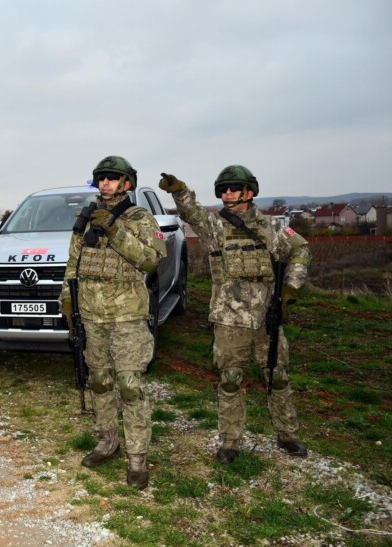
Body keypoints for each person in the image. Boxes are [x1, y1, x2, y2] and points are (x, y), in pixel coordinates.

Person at [159, 166, 311, 463]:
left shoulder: (273, 228)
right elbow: (192, 213)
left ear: (250, 191)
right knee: (230, 380)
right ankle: (230, 440)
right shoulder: (216, 228)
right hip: (229, 321)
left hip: (266, 318)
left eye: (234, 188)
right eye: (223, 189)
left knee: (277, 377)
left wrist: (291, 288)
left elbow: (301, 250)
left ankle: (287, 434)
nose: (228, 193)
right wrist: (179, 190)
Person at [59, 156, 167, 489]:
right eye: (101, 178)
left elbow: (151, 260)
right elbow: (73, 264)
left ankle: (137, 458)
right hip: (92, 315)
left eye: (112, 178)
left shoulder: (140, 218)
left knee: (129, 386)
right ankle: (107, 441)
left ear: (127, 183)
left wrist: (116, 230)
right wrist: (66, 300)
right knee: (100, 382)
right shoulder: (86, 217)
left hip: (128, 316)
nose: (105, 183)